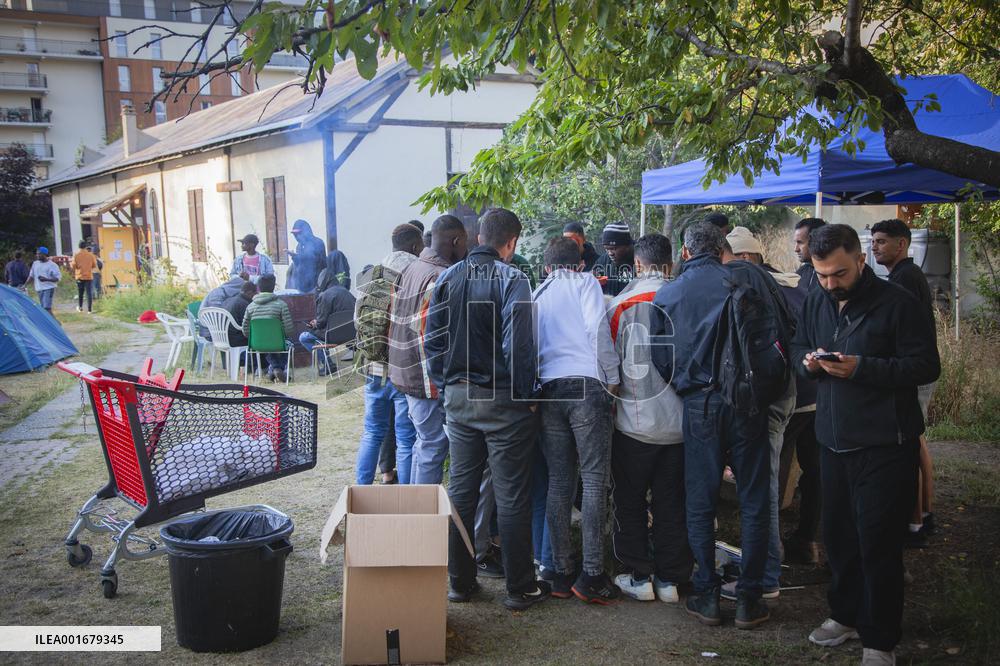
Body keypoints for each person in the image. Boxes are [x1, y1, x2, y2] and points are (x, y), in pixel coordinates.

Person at [792, 225, 939, 665]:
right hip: (832, 441)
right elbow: (800, 343)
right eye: (821, 275)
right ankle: (845, 614)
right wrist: (810, 363)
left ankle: (880, 639)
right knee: (838, 537)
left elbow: (925, 365)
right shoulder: (817, 298)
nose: (830, 284)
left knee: (878, 542)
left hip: (885, 443)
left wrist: (861, 368)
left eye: (838, 274)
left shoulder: (899, 303)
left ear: (860, 260)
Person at [424, 207, 550, 611]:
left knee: (461, 491)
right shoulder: (513, 279)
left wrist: (446, 386)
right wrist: (526, 393)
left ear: (479, 237)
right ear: (510, 243)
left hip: (459, 400)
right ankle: (519, 588)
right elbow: (520, 344)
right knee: (512, 494)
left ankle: (459, 582)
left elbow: (432, 343)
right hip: (501, 400)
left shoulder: (447, 277)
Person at [650, 221, 772, 629]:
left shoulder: (667, 295)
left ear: (685, 253)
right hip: (745, 403)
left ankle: (705, 592)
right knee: (754, 499)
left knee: (700, 501)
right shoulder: (744, 286)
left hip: (698, 404)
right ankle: (749, 598)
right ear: (724, 251)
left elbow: (661, 360)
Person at [533, 237, 620, 603]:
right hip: (586, 385)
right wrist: (612, 378)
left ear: (548, 266)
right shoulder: (585, 283)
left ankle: (559, 571)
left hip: (549, 389)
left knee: (559, 483)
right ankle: (592, 574)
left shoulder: (537, 293)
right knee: (595, 481)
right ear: (580, 264)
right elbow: (596, 330)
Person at [607, 233, 692, 604]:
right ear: (671, 263)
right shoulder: (688, 300)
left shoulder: (621, 304)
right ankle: (671, 578)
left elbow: (608, 370)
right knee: (672, 502)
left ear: (637, 264)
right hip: (681, 424)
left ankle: (639, 574)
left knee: (629, 500)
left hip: (634, 422)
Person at [720, 227, 799, 603]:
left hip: (764, 398)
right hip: (781, 393)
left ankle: (766, 575)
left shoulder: (748, 284)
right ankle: (767, 566)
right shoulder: (776, 285)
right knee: (762, 484)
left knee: (761, 487)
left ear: (743, 258)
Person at [871, 218, 937, 548]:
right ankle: (923, 514)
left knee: (910, 444)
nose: (875, 246)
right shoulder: (901, 275)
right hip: (910, 370)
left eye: (882, 241)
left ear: (902, 244)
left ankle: (916, 518)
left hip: (912, 372)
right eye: (873, 241)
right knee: (917, 442)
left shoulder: (905, 278)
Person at [389, 214, 468, 483]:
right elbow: (434, 336)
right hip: (424, 378)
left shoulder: (413, 268)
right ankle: (423, 517)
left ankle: (412, 509)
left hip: (404, 372)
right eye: (464, 243)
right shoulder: (440, 276)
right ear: (456, 241)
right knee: (433, 446)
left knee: (423, 443)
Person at [353, 223, 423, 485]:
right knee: (405, 438)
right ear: (416, 246)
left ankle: (361, 489)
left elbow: (358, 320)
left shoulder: (373, 274)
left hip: (373, 366)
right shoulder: (415, 273)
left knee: (372, 432)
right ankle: (405, 496)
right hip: (402, 367)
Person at [782, 219, 827, 565]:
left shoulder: (807, 281)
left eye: (801, 242)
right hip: (818, 393)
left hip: (801, 394)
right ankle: (808, 538)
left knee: (779, 469)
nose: (797, 248)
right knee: (815, 471)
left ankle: (782, 543)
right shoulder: (810, 281)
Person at [299, 267, 356, 375]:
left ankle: (328, 364)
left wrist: (315, 323)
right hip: (352, 335)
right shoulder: (347, 293)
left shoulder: (325, 296)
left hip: (333, 336)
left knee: (304, 337)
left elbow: (321, 323)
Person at [241, 274, 294, 382]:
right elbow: (289, 329)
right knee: (289, 344)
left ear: (258, 288)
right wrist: (280, 335)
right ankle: (278, 368)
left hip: (257, 343)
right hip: (278, 342)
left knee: (267, 344)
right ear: (273, 287)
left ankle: (273, 370)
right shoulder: (281, 305)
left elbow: (245, 329)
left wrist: (254, 338)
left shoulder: (250, 306)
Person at [592, 223, 635, 296]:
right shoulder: (603, 261)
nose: (610, 253)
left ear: (627, 245)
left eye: (613, 248)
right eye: (606, 249)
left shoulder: (640, 260)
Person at [287, 219, 326, 292]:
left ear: (306, 232)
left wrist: (299, 257)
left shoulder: (318, 243)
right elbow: (299, 265)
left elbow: (318, 262)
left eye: (298, 234)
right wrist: (295, 258)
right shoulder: (299, 246)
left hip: (315, 284)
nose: (296, 237)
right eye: (294, 235)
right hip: (302, 285)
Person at [795, 217, 827, 292]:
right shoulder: (803, 271)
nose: (796, 249)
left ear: (816, 241)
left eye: (800, 242)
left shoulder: (830, 276)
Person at [221, 281, 257, 347]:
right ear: (250, 293)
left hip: (222, 338)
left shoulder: (228, 300)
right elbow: (249, 327)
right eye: (256, 294)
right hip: (236, 340)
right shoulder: (244, 304)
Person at [28, 247, 61, 314]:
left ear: (45, 254)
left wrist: (46, 279)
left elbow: (57, 278)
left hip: (48, 288)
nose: (37, 255)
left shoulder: (52, 265)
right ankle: (54, 323)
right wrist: (24, 285)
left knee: (46, 308)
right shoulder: (35, 264)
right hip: (39, 289)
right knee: (44, 308)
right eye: (37, 254)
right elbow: (31, 276)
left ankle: (55, 324)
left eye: (39, 254)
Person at [69, 241, 98, 313]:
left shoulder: (76, 255)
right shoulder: (91, 255)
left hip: (79, 276)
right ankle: (89, 310)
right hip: (88, 276)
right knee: (89, 293)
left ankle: (80, 307)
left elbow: (73, 266)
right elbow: (94, 265)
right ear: (85, 246)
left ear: (79, 247)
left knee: (80, 292)